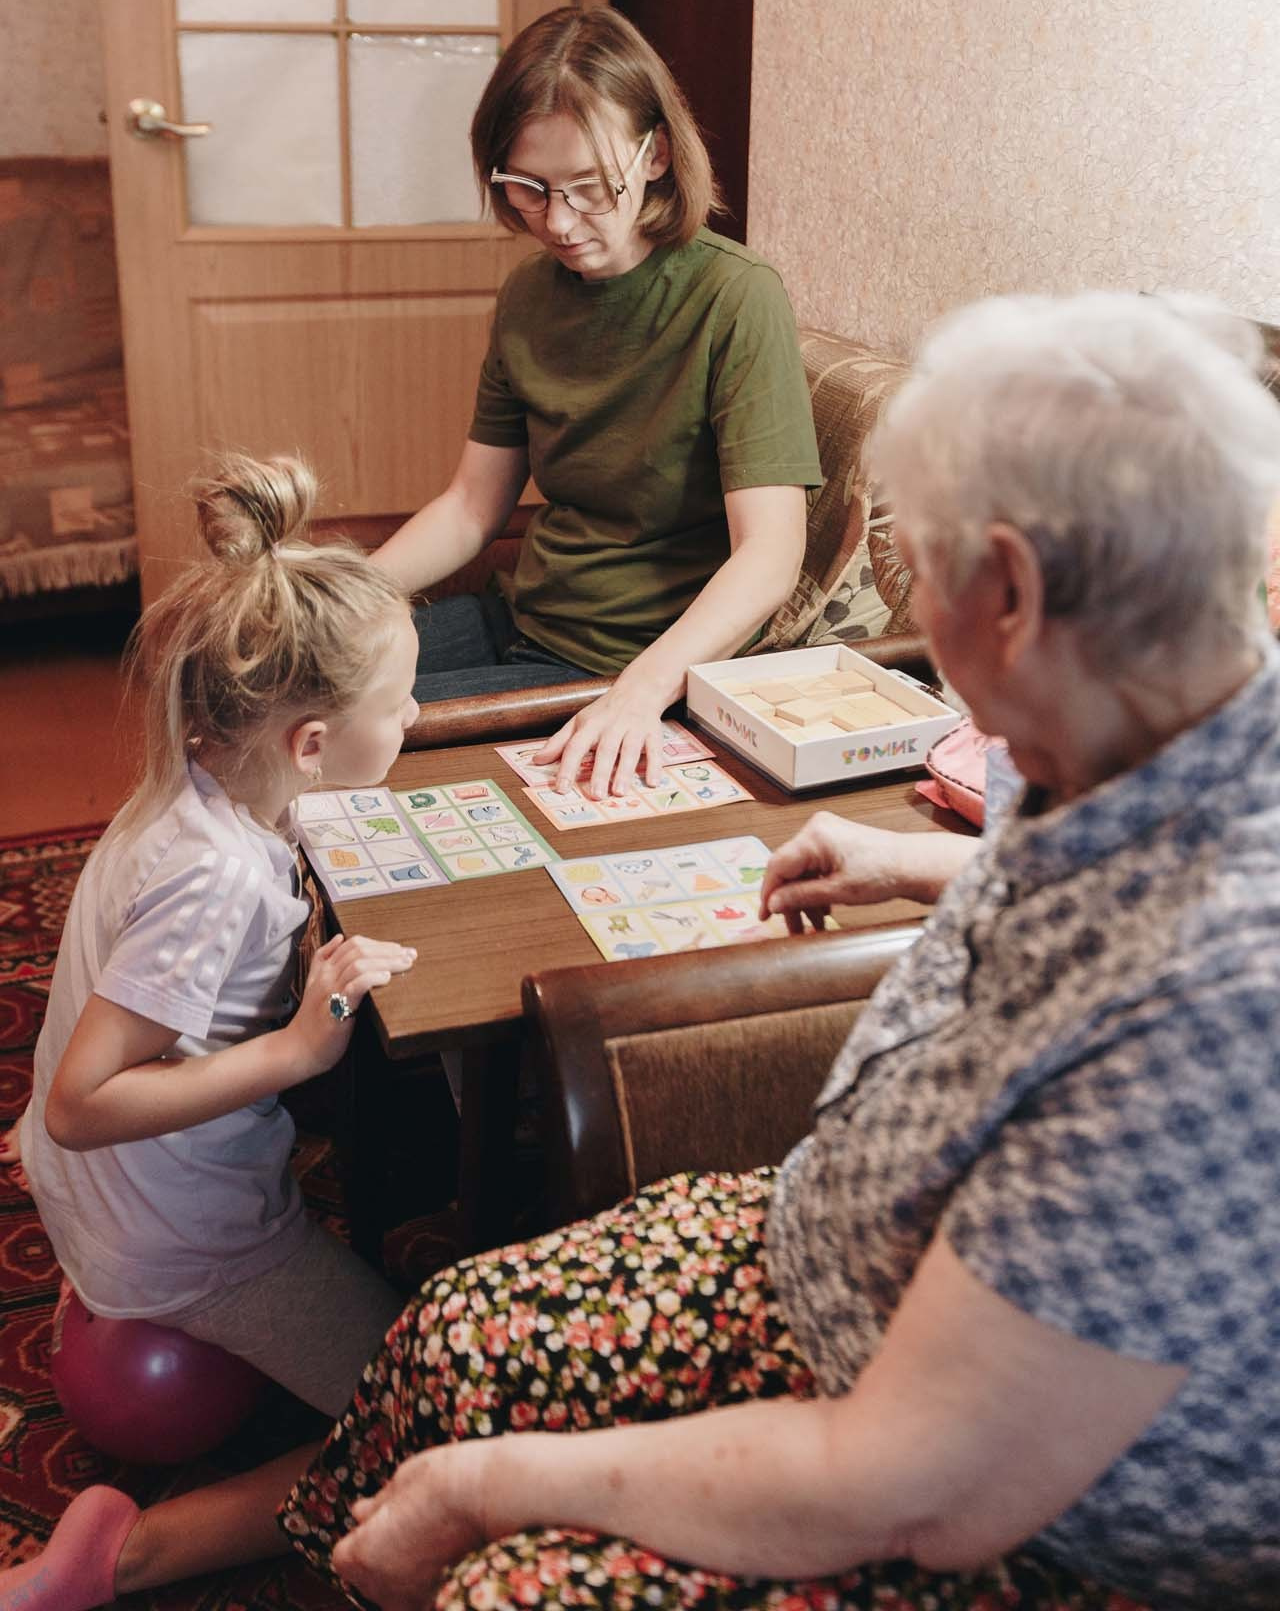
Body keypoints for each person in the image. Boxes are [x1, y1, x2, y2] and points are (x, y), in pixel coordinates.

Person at [15, 289, 1280, 1611]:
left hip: (997, 1503)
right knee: (450, 1335)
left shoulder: (1215, 1010)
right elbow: (1095, 893)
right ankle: (159, 1551)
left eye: (923, 570)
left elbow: (914, 1484)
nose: (912, 611)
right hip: (832, 1257)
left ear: (1009, 590)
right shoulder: (1151, 723)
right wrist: (915, 860)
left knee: (507, 1575)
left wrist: (489, 1486)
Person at [1, 454, 420, 1611]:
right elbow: (85, 1102)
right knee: (434, 1408)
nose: (419, 717)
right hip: (177, 1236)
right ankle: (136, 1553)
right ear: (309, 743)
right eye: (402, 704)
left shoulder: (196, 784)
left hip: (108, 1200)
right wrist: (294, 1048)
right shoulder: (215, 883)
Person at [374, 5, 822, 799]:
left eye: (589, 187)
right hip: (519, 620)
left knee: (334, 743)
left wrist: (643, 691)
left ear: (654, 155)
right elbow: (473, 507)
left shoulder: (735, 298)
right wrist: (344, 599)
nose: (558, 222)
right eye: (528, 189)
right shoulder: (528, 298)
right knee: (277, 683)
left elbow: (770, 555)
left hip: (631, 663)